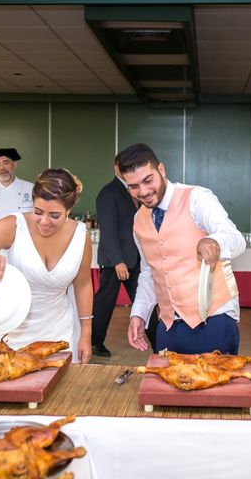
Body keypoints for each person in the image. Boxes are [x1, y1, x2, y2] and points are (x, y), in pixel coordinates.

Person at [0, 168, 93, 364]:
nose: (44, 221)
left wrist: (86, 333)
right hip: (8, 332)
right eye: (38, 212)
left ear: (69, 210)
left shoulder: (80, 235)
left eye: (55, 215)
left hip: (58, 332)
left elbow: (83, 284)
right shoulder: (14, 226)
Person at [118, 143, 246, 355]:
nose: (143, 191)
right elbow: (149, 272)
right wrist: (139, 314)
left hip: (215, 318)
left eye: (148, 180)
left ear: (161, 169)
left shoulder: (197, 198)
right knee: (166, 385)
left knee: (217, 386)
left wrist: (215, 242)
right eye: (133, 186)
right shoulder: (138, 220)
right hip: (168, 325)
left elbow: (235, 238)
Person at [91, 152, 157, 357]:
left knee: (145, 300)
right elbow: (108, 231)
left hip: (136, 257)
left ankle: (160, 344)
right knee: (105, 303)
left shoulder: (135, 190)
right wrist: (118, 262)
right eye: (123, 166)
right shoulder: (108, 193)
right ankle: (94, 342)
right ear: (116, 168)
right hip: (115, 260)